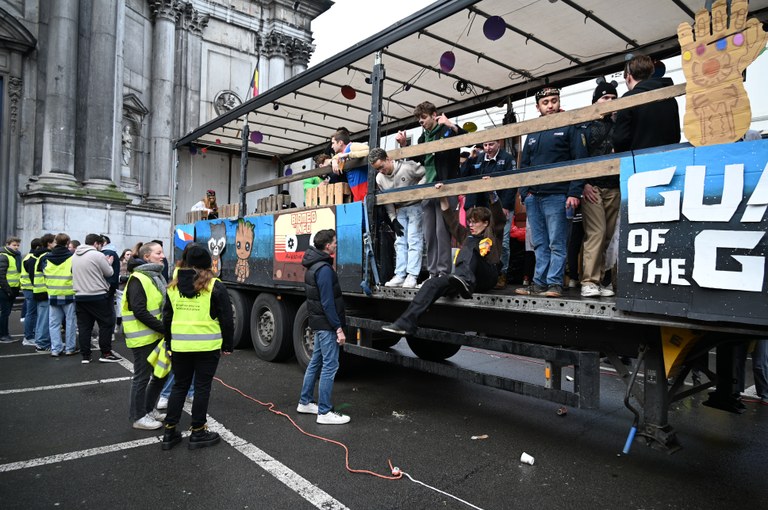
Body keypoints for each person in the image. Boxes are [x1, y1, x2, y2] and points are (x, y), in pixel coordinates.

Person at [382, 186, 504, 335]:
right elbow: (450, 219)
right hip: (463, 280)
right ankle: (406, 322)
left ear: (485, 223)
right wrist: (442, 196)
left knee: (471, 247)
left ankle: (465, 279)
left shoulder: (494, 233)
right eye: (470, 222)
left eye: (475, 222)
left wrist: (491, 192)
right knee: (432, 284)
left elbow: (499, 217)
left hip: (486, 276)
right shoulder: (466, 234)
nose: (471, 225)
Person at [514, 87, 588, 298]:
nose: (550, 105)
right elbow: (524, 164)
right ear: (538, 107)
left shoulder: (569, 126)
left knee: (557, 242)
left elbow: (580, 160)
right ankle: (539, 283)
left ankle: (554, 283)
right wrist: (524, 191)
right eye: (545, 102)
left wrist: (574, 192)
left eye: (554, 101)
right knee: (539, 243)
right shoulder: (533, 130)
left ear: (559, 102)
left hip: (558, 195)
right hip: (534, 197)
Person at [161, 244, 234, 450]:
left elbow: (167, 318)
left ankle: (169, 432)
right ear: (207, 263)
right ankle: (198, 431)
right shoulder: (214, 285)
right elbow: (226, 318)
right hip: (206, 347)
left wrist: (169, 343)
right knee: (202, 388)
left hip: (180, 346)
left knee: (179, 386)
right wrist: (228, 345)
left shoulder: (173, 286)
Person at [396, 101, 467, 284]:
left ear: (434, 115)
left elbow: (467, 139)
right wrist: (404, 146)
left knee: (442, 231)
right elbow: (418, 158)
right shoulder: (423, 138)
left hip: (445, 187)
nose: (421, 121)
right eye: (419, 119)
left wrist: (451, 124)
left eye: (424, 117)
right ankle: (432, 273)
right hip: (428, 188)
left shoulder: (446, 130)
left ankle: (443, 272)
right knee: (429, 234)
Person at [297, 229, 350, 425]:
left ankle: (305, 402)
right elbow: (328, 303)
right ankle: (325, 412)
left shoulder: (313, 266)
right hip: (327, 325)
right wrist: (338, 328)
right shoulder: (325, 270)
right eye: (334, 242)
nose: (336, 244)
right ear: (327, 246)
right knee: (330, 365)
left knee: (316, 362)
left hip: (319, 323)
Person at [460, 139, 517, 289]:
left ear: (499, 143)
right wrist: (470, 159)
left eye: (491, 144)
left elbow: (512, 184)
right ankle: (483, 272)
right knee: (481, 240)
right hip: (482, 208)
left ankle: (502, 273)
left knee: (502, 241)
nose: (488, 148)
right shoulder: (479, 158)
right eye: (485, 145)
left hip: (500, 206)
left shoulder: (507, 158)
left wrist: (505, 206)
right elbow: (465, 175)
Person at [581, 81, 621, 298]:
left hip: (614, 186)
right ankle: (588, 281)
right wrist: (584, 183)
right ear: (595, 101)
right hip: (593, 186)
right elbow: (579, 155)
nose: (610, 101)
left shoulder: (619, 124)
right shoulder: (585, 126)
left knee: (607, 236)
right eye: (605, 98)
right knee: (596, 233)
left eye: (613, 98)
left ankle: (600, 280)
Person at [123, 242, 168, 430]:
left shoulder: (154, 276)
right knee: (142, 377)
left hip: (155, 336)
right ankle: (139, 417)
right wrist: (164, 328)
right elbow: (139, 311)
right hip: (143, 338)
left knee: (160, 375)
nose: (163, 256)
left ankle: (148, 409)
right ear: (147, 257)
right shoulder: (138, 279)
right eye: (158, 253)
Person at [369, 147, 427, 289]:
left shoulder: (407, 167)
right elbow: (387, 199)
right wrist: (393, 218)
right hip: (400, 209)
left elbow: (426, 173)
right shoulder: (380, 178)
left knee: (414, 239)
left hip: (415, 205)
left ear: (388, 159)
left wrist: (419, 191)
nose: (381, 171)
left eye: (382, 166)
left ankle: (412, 275)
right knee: (400, 242)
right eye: (378, 169)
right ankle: (400, 274)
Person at [612, 55, 681, 152]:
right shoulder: (670, 98)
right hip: (670, 156)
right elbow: (676, 135)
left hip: (638, 158)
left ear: (628, 76)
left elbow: (620, 139)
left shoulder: (628, 99)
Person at [72, 234, 120, 363]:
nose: (101, 248)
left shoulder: (74, 256)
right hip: (97, 294)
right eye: (100, 245)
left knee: (84, 327)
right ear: (96, 244)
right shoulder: (98, 255)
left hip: (80, 295)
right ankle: (106, 353)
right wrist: (109, 263)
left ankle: (85, 356)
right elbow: (109, 272)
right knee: (106, 324)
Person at [39, 233, 77, 356]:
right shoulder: (72, 257)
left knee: (54, 323)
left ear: (55, 242)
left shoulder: (45, 258)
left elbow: (42, 272)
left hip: (53, 293)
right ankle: (70, 348)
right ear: (67, 243)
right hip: (69, 293)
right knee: (70, 322)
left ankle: (56, 349)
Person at [330, 129, 369, 202]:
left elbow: (370, 150)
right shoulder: (342, 154)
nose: (332, 146)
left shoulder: (351, 146)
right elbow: (332, 159)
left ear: (340, 142)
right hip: (357, 192)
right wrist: (334, 160)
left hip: (365, 188)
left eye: (333, 143)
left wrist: (349, 155)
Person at [32, 234, 55, 352]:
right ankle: (42, 343)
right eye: (54, 242)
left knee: (42, 318)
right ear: (49, 243)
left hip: (40, 290)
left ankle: (41, 341)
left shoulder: (41, 255)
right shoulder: (46, 256)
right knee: (44, 319)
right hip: (44, 291)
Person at [19, 238, 42, 346]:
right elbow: (33, 277)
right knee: (32, 313)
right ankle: (28, 337)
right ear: (37, 247)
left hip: (29, 288)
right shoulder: (32, 259)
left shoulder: (29, 257)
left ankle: (31, 335)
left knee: (32, 313)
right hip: (30, 289)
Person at [0, 236, 22, 343]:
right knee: (5, 313)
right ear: (7, 245)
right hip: (5, 290)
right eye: (14, 245)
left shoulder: (15, 256)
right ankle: (3, 335)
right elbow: (1, 276)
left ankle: (5, 334)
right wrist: (8, 290)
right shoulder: (4, 256)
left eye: (18, 245)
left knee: (6, 313)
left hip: (12, 289)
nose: (16, 247)